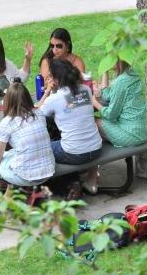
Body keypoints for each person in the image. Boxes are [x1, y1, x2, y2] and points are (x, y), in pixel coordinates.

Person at [38, 59, 101, 199]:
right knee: (65, 141)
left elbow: (36, 115)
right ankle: (74, 182)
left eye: (50, 76)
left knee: (42, 148)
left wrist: (47, 91)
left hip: (75, 153)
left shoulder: (55, 98)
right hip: (96, 148)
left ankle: (70, 183)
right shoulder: (85, 89)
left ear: (56, 79)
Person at [0, 80, 55, 201]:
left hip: (25, 176)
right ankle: (7, 198)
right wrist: (46, 93)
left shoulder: (7, 122)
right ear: (28, 98)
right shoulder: (39, 114)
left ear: (7, 101)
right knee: (15, 155)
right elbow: (38, 106)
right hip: (49, 170)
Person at [92, 60, 147, 179]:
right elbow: (108, 95)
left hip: (130, 134)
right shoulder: (133, 74)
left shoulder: (121, 81)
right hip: (143, 131)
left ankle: (89, 173)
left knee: (91, 121)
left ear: (118, 61)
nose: (108, 59)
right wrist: (105, 71)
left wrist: (94, 103)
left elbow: (111, 114)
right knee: (99, 126)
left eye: (110, 57)